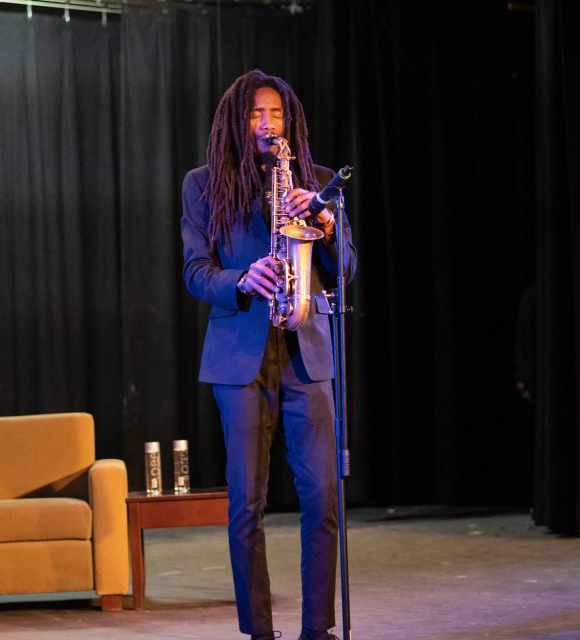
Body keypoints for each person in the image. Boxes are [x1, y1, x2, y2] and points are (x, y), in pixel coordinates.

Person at [181, 69, 357, 640]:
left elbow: (347, 271)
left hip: (309, 354)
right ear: (237, 119)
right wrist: (242, 278)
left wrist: (325, 224)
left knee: (324, 499)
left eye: (276, 113)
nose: (266, 123)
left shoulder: (321, 183)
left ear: (290, 121)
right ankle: (259, 633)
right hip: (240, 360)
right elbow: (195, 273)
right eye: (256, 113)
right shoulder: (203, 185)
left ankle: (318, 631)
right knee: (246, 506)